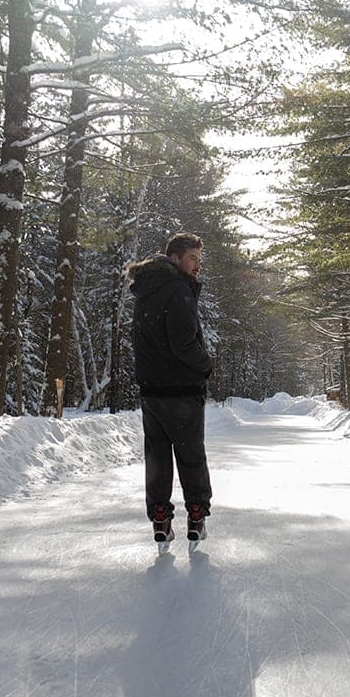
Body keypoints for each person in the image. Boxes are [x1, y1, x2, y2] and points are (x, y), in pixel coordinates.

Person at [126, 232, 213, 551]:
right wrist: (206, 364)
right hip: (182, 391)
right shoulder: (178, 290)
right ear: (174, 258)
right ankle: (196, 517)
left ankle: (161, 520)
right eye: (192, 258)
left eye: (199, 260)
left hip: (152, 391)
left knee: (158, 460)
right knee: (191, 456)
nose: (197, 266)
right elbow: (183, 343)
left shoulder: (146, 291)